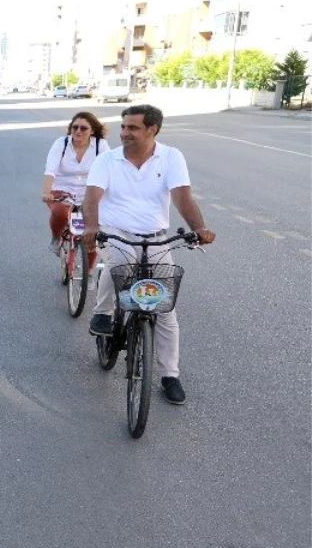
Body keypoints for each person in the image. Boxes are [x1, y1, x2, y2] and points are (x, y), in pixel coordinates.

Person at [82, 104, 216, 405]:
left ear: (152, 129)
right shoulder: (108, 160)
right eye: (123, 126)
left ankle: (170, 375)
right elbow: (91, 197)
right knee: (121, 263)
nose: (124, 132)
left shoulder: (171, 157)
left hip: (156, 240)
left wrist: (200, 229)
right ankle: (103, 313)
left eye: (133, 128)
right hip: (116, 233)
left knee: (165, 311)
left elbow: (182, 197)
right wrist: (91, 227)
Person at [41, 111, 106, 265]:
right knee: (61, 212)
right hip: (62, 191)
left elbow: (109, 171)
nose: (78, 131)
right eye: (74, 127)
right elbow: (50, 171)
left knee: (90, 234)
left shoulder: (100, 145)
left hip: (89, 193)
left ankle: (88, 274)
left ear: (92, 130)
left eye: (83, 128)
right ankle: (56, 238)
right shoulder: (61, 144)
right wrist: (46, 192)